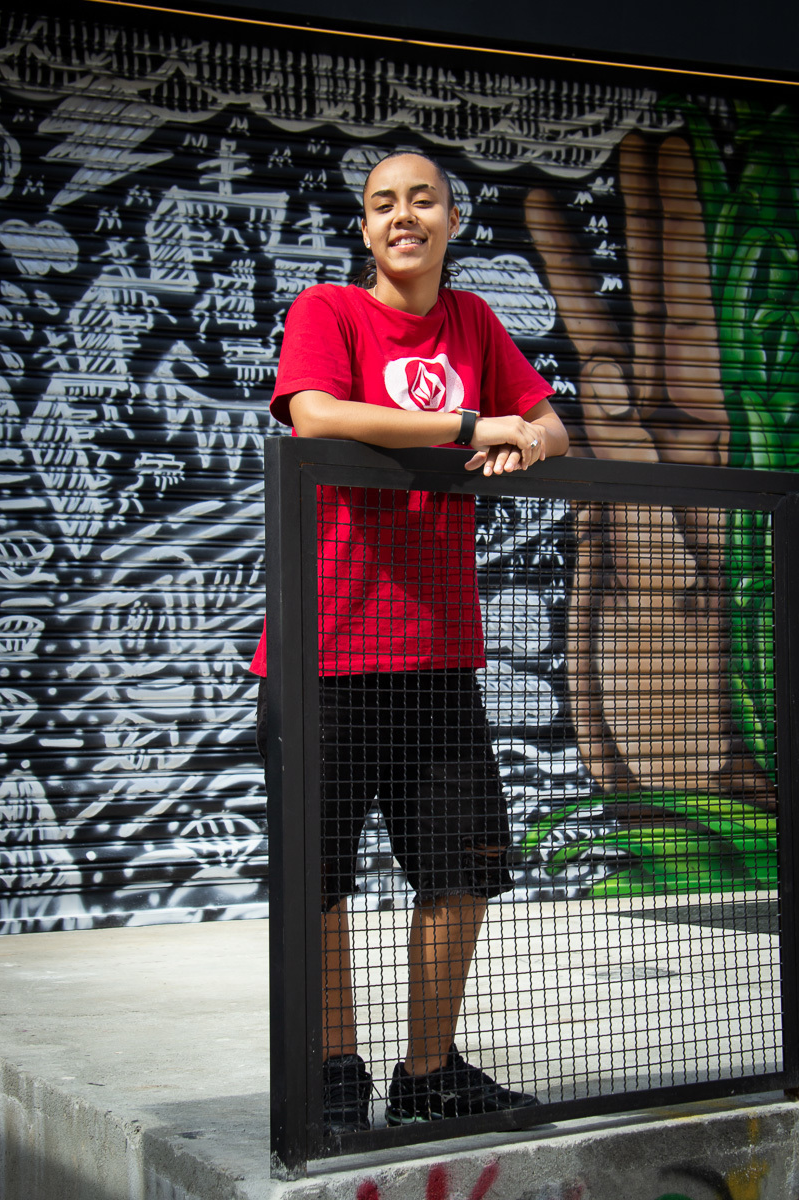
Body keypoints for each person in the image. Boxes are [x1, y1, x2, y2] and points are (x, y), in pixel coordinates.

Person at [251, 149, 569, 1134]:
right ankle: (333, 1072)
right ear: (365, 227)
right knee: (320, 876)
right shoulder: (329, 312)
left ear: (450, 221)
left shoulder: (471, 321)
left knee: (462, 865)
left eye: (422, 199)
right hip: (325, 650)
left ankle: (427, 1073)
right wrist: (472, 425)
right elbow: (315, 415)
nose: (403, 215)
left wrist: (527, 437)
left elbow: (550, 425)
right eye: (383, 203)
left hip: (436, 653)